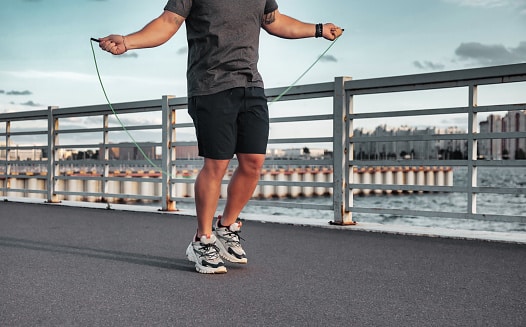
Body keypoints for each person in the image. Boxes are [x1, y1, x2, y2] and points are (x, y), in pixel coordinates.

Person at [98, 0, 343, 274]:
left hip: (251, 86)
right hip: (210, 86)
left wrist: (319, 29)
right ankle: (202, 240)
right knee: (217, 164)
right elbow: (167, 23)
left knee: (253, 163)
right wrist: (128, 42)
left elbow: (274, 20)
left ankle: (226, 227)